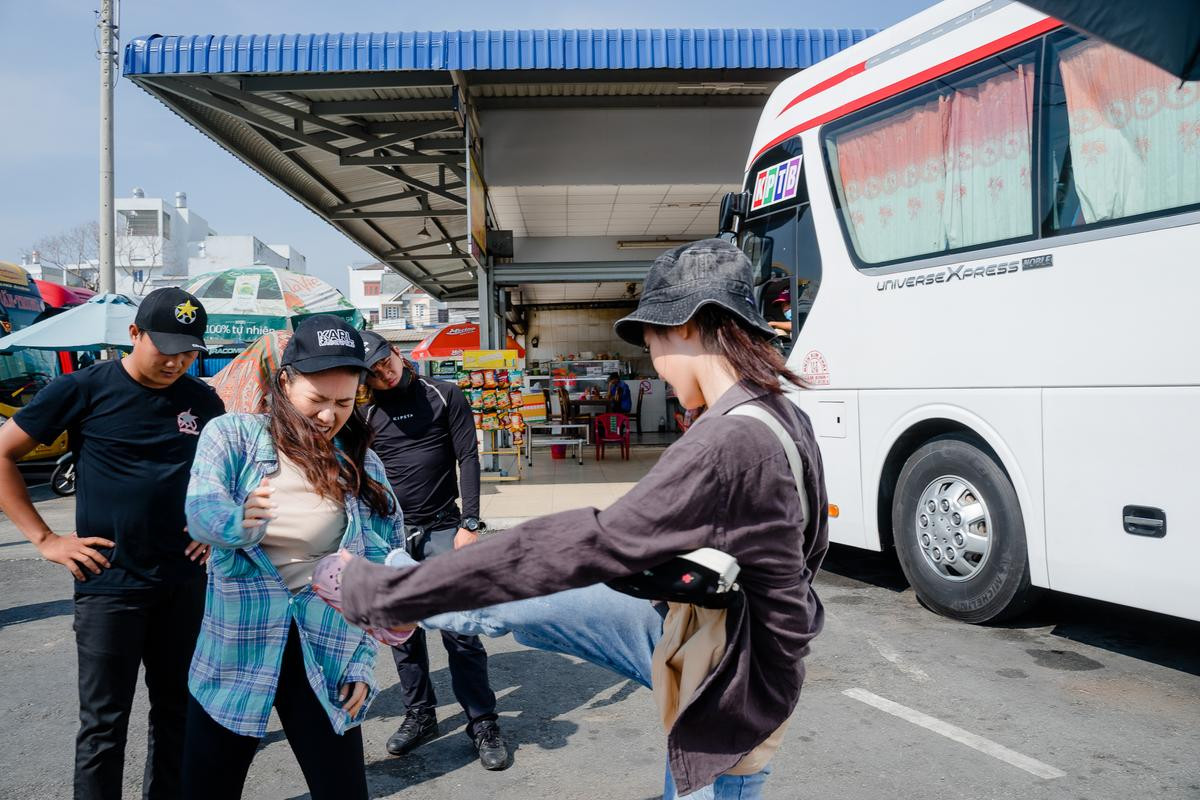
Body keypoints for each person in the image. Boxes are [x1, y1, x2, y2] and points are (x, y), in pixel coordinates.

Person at [324, 239, 830, 799]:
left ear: (686, 326)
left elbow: (590, 542)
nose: (657, 368)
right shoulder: (778, 412)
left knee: (538, 571)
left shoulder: (726, 439)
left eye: (652, 341)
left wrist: (387, 590)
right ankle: (406, 587)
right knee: (520, 598)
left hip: (730, 678)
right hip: (720, 635)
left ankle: (393, 592)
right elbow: (809, 548)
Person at [0, 287, 224, 800]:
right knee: (104, 724)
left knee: (178, 711)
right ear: (133, 335)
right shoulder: (83, 388)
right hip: (109, 586)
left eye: (188, 350)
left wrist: (215, 530)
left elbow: (227, 475)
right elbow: (3, 454)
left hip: (183, 583)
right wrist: (45, 538)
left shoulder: (202, 401)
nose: (177, 361)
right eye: (166, 347)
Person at [181, 315, 398, 799]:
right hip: (236, 646)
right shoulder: (232, 436)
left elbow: (377, 571)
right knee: (205, 787)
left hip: (327, 649)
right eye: (317, 400)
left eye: (344, 402)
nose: (329, 416)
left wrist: (363, 661)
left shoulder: (360, 462)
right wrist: (236, 524)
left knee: (342, 790)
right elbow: (201, 509)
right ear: (285, 382)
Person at [357, 330, 509, 770]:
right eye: (372, 371)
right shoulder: (363, 409)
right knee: (402, 634)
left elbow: (468, 458)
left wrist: (470, 524)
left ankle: (482, 721)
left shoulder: (444, 394)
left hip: (444, 527)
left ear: (397, 353)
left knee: (460, 631)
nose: (383, 373)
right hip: (391, 534)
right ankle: (420, 714)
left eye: (385, 361)